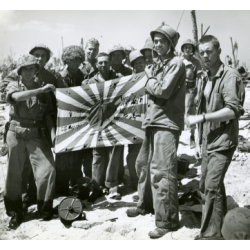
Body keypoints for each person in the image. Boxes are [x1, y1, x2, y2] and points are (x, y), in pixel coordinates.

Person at [126, 24, 186, 239]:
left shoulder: (176, 63)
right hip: (152, 122)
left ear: (171, 44)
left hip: (167, 124)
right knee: (143, 165)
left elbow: (162, 91)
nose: (158, 44)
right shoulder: (158, 65)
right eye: (156, 40)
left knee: (163, 171)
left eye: (162, 41)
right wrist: (151, 75)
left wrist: (149, 77)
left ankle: (167, 220)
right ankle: (145, 205)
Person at [185, 35, 245, 240]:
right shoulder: (204, 76)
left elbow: (233, 110)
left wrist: (201, 117)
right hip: (207, 140)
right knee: (209, 185)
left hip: (223, 140)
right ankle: (215, 229)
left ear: (219, 51)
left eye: (209, 51)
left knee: (211, 186)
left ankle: (210, 236)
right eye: (201, 52)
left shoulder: (230, 76)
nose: (205, 56)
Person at [3, 54, 56, 229]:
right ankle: (15, 212)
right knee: (14, 173)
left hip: (35, 133)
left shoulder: (43, 88)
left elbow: (48, 114)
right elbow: (16, 98)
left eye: (32, 68)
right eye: (25, 69)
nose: (29, 72)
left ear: (36, 70)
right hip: (16, 132)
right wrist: (40, 91)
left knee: (48, 169)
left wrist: (53, 133)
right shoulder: (14, 85)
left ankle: (45, 207)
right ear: (20, 71)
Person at [83, 52, 123, 201]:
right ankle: (96, 186)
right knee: (98, 155)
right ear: (96, 64)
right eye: (100, 63)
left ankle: (112, 186)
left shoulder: (118, 79)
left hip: (114, 121)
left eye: (106, 62)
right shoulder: (89, 82)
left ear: (110, 63)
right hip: (96, 123)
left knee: (114, 154)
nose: (103, 65)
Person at [55, 45, 93, 195]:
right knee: (64, 156)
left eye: (78, 59)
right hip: (64, 120)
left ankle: (76, 185)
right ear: (66, 60)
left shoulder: (83, 76)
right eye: (72, 59)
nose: (75, 62)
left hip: (80, 120)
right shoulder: (60, 77)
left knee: (77, 155)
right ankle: (62, 188)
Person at [108, 44, 133, 183]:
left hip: (124, 111)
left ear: (124, 57)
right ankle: (112, 180)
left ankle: (120, 175)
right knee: (113, 149)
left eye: (120, 55)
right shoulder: (106, 71)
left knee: (121, 145)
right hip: (109, 112)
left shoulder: (129, 72)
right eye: (114, 55)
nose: (117, 58)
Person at [125, 49, 146, 189]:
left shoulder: (150, 75)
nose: (139, 65)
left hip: (148, 119)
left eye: (141, 62)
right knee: (133, 153)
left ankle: (144, 182)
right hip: (133, 119)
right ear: (132, 65)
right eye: (136, 63)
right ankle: (134, 180)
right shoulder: (128, 79)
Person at [180, 39, 202, 148]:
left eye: (190, 48)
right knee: (178, 111)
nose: (188, 50)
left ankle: (192, 136)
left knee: (190, 112)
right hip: (179, 90)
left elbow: (199, 78)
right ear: (183, 49)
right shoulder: (178, 61)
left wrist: (197, 92)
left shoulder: (196, 62)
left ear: (192, 50)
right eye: (186, 47)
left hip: (190, 89)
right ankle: (176, 135)